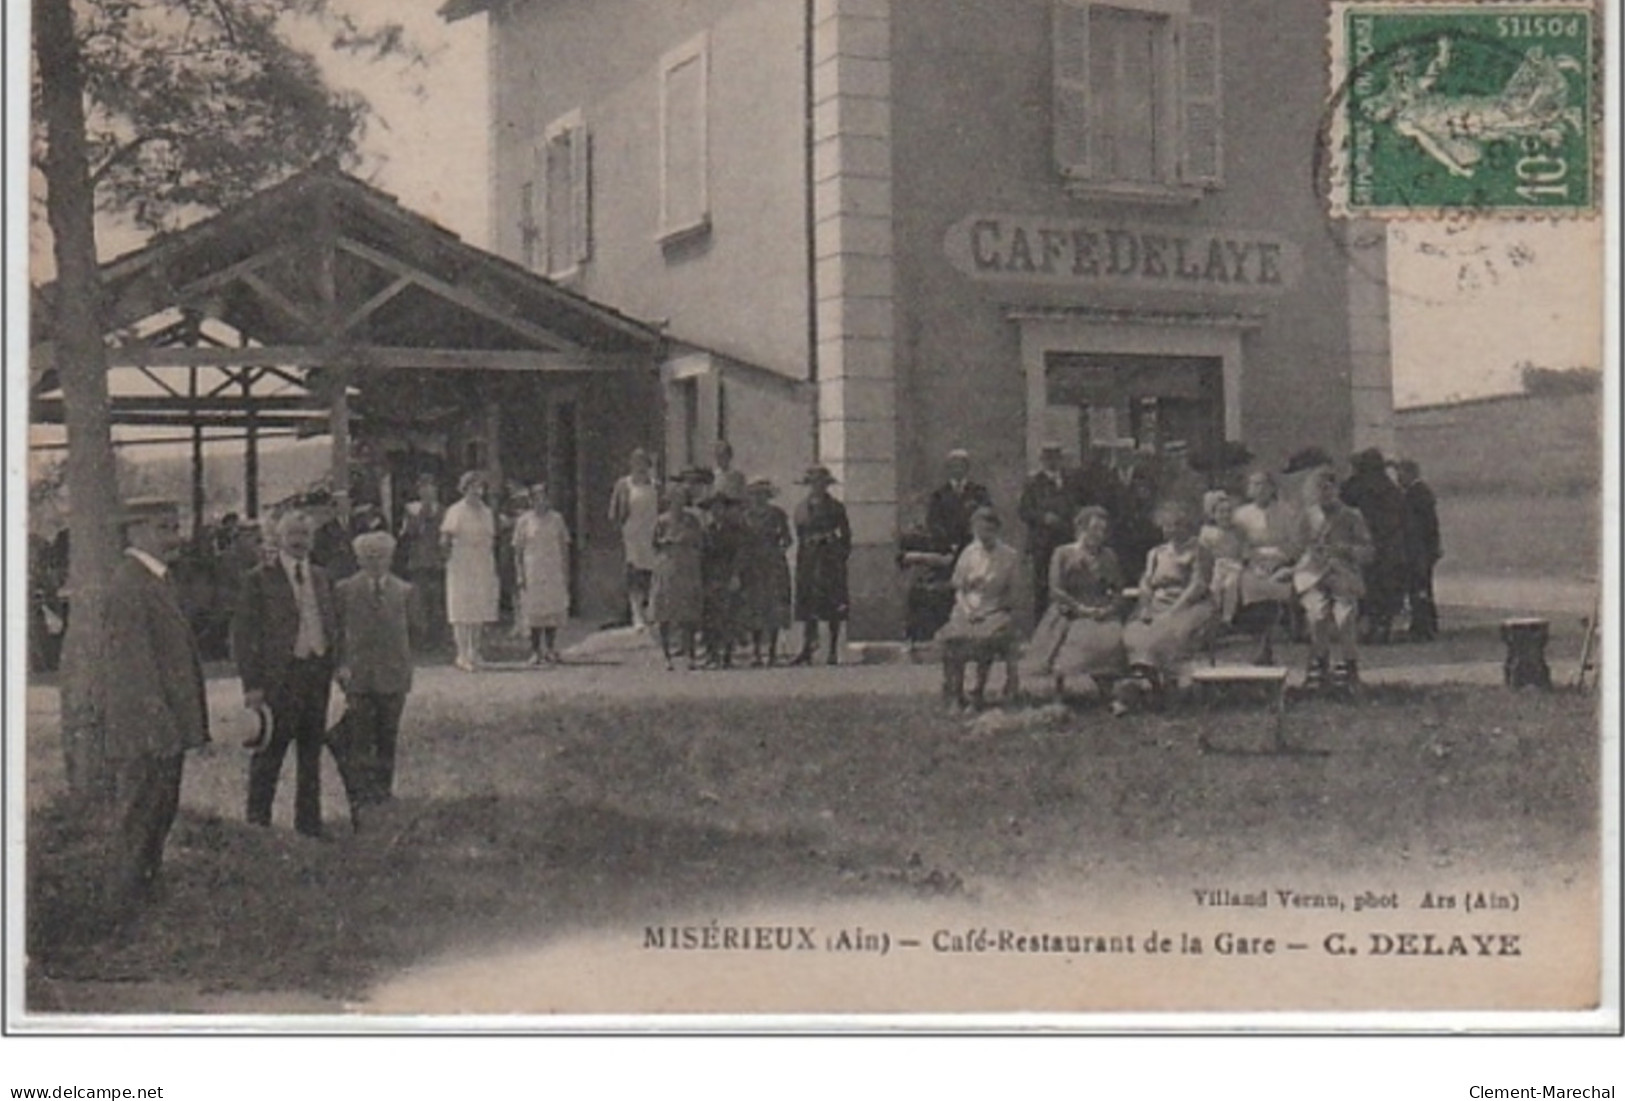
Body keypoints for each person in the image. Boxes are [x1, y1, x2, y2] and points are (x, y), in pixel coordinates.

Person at [99, 499, 210, 907]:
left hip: (162, 729)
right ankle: (122, 908)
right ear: (136, 532)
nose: (174, 537)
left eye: (174, 526)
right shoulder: (130, 585)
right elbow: (134, 670)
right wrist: (159, 724)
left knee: (157, 814)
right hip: (148, 731)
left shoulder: (154, 581)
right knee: (140, 818)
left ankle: (143, 898)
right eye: (164, 528)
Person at [232, 509, 337, 839]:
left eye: (305, 535)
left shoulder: (320, 576)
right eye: (292, 535)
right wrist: (252, 685)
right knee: (270, 752)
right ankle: (257, 825)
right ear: (278, 538)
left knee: (311, 753)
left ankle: (309, 824)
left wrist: (334, 661)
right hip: (280, 677)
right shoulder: (260, 579)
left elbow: (330, 620)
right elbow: (244, 635)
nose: (298, 542)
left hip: (315, 672)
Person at [334, 531, 420, 822]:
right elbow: (337, 634)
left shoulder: (404, 590)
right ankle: (362, 792)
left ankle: (384, 790)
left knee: (387, 735)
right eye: (368, 556)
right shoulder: (344, 591)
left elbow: (415, 632)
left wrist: (405, 665)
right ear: (358, 558)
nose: (375, 562)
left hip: (394, 674)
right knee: (360, 734)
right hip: (359, 675)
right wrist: (341, 666)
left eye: (381, 556)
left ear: (390, 558)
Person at [1117, 499, 1216, 715]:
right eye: (1165, 525)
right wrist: (1145, 605)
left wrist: (1174, 610)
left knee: (1168, 632)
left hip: (1190, 605)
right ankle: (1149, 684)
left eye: (1173, 525)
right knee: (1136, 632)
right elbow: (1146, 581)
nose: (1168, 529)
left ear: (1184, 526)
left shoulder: (1199, 550)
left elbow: (1198, 584)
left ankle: (1172, 689)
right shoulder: (1156, 552)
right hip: (1157, 603)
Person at [1022, 505, 1125, 701]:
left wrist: (1109, 607)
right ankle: (1059, 692)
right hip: (1070, 607)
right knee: (1075, 636)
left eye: (1103, 530)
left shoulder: (1108, 556)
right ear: (1081, 528)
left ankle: (1107, 690)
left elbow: (1118, 588)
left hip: (1100, 607)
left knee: (1111, 636)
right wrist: (1079, 608)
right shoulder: (1063, 553)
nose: (1098, 535)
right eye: (1094, 529)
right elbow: (1056, 589)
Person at [1295, 467, 1375, 690]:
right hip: (1314, 575)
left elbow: (1368, 551)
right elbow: (1297, 548)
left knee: (1345, 615)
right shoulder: (1308, 517)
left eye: (1327, 489)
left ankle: (1350, 667)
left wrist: (1346, 550)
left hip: (1343, 574)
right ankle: (1320, 666)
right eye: (1317, 490)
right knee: (1316, 614)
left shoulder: (1351, 516)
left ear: (1336, 490)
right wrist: (1311, 554)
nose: (1323, 494)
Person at [936, 506, 1022, 709]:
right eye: (979, 531)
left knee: (984, 640)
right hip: (967, 608)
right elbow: (959, 587)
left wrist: (988, 612)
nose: (983, 536)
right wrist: (967, 610)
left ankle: (978, 692)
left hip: (995, 610)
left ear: (996, 530)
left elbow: (1013, 595)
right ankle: (956, 693)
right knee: (952, 639)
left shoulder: (1009, 555)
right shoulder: (969, 552)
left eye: (988, 531)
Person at [1340, 448, 1408, 644]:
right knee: (1387, 588)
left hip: (1366, 543)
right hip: (1391, 546)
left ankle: (1368, 627)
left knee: (1367, 588)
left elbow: (1343, 502)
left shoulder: (1357, 486)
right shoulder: (1392, 489)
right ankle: (1382, 626)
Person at [792, 465, 852, 666]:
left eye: (821, 483)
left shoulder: (835, 507)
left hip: (829, 560)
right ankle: (807, 647)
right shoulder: (802, 507)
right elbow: (800, 535)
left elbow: (846, 534)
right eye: (814, 483)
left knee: (832, 603)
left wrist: (839, 553)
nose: (817, 487)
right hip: (808, 558)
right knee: (808, 602)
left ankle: (833, 650)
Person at [440, 470, 499, 671]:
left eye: (479, 487)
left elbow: (491, 538)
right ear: (464, 489)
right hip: (461, 562)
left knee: (479, 607)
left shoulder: (486, 512)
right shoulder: (455, 511)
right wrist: (450, 559)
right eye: (472, 487)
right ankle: (462, 654)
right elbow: (445, 539)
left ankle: (475, 651)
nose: (476, 491)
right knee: (462, 609)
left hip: (481, 561)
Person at [1018, 442, 1084, 619]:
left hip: (1067, 539)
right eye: (1048, 458)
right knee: (1042, 587)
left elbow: (1079, 503)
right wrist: (1042, 517)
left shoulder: (1070, 481)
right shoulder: (1034, 483)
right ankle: (1041, 627)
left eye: (1055, 457)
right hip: (1043, 542)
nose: (1052, 461)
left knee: (1069, 582)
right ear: (1042, 460)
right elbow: (1024, 510)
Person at [513, 482, 572, 665]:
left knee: (552, 609)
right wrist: (520, 573)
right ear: (531, 501)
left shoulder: (557, 519)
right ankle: (536, 651)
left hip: (552, 568)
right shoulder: (524, 521)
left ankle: (551, 648)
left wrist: (565, 570)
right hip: (533, 568)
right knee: (534, 611)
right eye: (536, 499)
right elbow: (518, 550)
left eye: (544, 498)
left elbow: (564, 546)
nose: (540, 502)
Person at [651, 478, 706, 669]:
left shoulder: (692, 520)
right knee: (665, 612)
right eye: (674, 498)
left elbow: (700, 543)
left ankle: (689, 654)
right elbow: (655, 544)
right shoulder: (662, 521)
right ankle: (666, 655)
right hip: (667, 567)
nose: (678, 502)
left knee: (687, 614)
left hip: (687, 568)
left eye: (681, 498)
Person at [739, 477, 794, 666]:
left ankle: (771, 652)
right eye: (755, 494)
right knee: (754, 606)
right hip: (753, 564)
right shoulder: (745, 517)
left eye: (762, 494)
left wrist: (778, 550)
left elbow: (787, 538)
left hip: (773, 564)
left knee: (773, 606)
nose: (758, 498)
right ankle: (756, 652)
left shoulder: (777, 514)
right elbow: (741, 541)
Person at [609, 448, 660, 631]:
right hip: (632, 536)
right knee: (634, 575)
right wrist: (622, 532)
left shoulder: (655, 485)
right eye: (636, 462)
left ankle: (650, 612)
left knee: (651, 574)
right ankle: (636, 614)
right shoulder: (624, 485)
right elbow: (614, 513)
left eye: (644, 463)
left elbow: (661, 510)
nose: (640, 467)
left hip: (651, 534)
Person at [398, 474, 448, 654]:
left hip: (438, 562)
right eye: (423, 487)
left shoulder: (443, 510)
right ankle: (421, 638)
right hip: (418, 562)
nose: (427, 491)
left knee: (437, 601)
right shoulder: (411, 510)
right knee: (419, 602)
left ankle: (437, 639)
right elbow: (406, 535)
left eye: (431, 487)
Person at [700, 485, 748, 668]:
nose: (716, 511)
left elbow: (740, 553)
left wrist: (736, 574)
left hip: (728, 575)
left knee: (728, 615)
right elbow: (702, 555)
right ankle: (712, 654)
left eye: (720, 507)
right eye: (713, 508)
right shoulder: (706, 531)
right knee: (710, 615)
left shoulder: (735, 531)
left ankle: (727, 654)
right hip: (711, 576)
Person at [1395, 459, 1442, 641]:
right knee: (1422, 587)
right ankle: (1426, 623)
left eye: (1401, 473)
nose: (1399, 478)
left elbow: (1425, 525)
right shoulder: (1421, 492)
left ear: (1410, 473)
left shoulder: (1416, 494)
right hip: (1424, 549)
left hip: (1419, 550)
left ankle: (1423, 625)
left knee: (1419, 587)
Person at [1199, 490, 1246, 626]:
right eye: (1221, 512)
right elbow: (1203, 553)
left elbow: (1243, 548)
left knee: (1230, 585)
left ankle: (1227, 618)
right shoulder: (1207, 532)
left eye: (1228, 511)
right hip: (1217, 565)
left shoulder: (1237, 531)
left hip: (1234, 565)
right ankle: (1214, 616)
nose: (1225, 515)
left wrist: (1244, 558)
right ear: (1213, 515)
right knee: (1215, 587)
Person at [306, 491, 358, 581]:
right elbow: (319, 552)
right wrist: (332, 559)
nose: (345, 505)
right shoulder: (324, 528)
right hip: (335, 572)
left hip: (357, 571)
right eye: (341, 503)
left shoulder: (360, 523)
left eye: (347, 502)